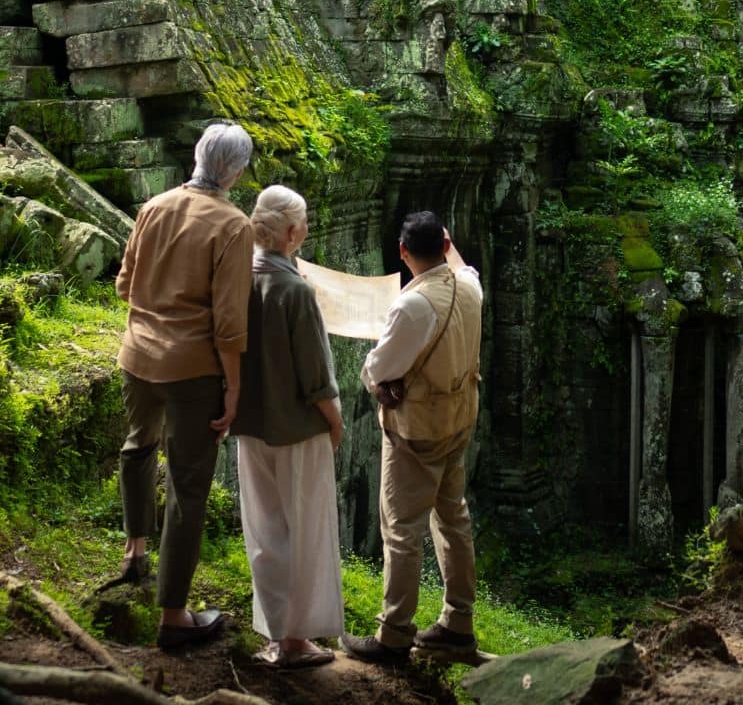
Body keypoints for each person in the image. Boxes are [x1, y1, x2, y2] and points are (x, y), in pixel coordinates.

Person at [113, 120, 255, 651]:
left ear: (197, 157)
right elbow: (229, 324)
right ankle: (173, 614)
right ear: (235, 173)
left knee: (138, 446)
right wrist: (234, 389)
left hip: (137, 355)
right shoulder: (234, 226)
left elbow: (124, 284)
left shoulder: (154, 207)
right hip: (193, 369)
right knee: (188, 485)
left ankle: (134, 550)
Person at [343, 210, 484, 666]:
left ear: (403, 252)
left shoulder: (412, 306)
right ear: (445, 245)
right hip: (459, 420)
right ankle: (458, 622)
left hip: (419, 430)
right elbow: (461, 266)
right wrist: (446, 243)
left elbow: (379, 368)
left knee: (402, 528)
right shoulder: (470, 287)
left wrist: (375, 381)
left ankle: (394, 633)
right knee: (453, 517)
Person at [230, 185, 345, 669]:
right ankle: (297, 639)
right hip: (298, 429)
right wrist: (336, 423)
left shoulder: (238, 278)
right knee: (307, 533)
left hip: (250, 424)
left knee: (265, 534)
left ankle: (277, 635)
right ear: (293, 233)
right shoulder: (295, 291)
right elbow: (316, 376)